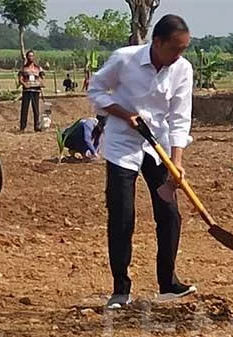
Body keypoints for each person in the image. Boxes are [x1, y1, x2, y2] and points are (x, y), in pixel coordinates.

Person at [88, 14, 196, 309]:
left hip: (157, 146)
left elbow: (179, 117)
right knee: (123, 216)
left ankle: (168, 283)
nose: (179, 55)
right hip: (122, 145)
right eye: (175, 48)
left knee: (169, 213)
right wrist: (124, 114)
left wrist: (177, 162)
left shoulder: (182, 70)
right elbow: (95, 91)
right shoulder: (125, 60)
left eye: (183, 49)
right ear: (157, 42)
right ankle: (120, 289)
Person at [19, 50, 45, 132]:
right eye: (29, 56)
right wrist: (24, 84)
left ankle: (36, 126)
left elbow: (42, 77)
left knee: (36, 109)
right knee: (25, 109)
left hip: (35, 90)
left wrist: (41, 83)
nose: (31, 57)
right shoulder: (23, 68)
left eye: (32, 56)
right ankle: (22, 127)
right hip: (27, 90)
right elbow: (20, 79)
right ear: (27, 57)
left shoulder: (38, 68)